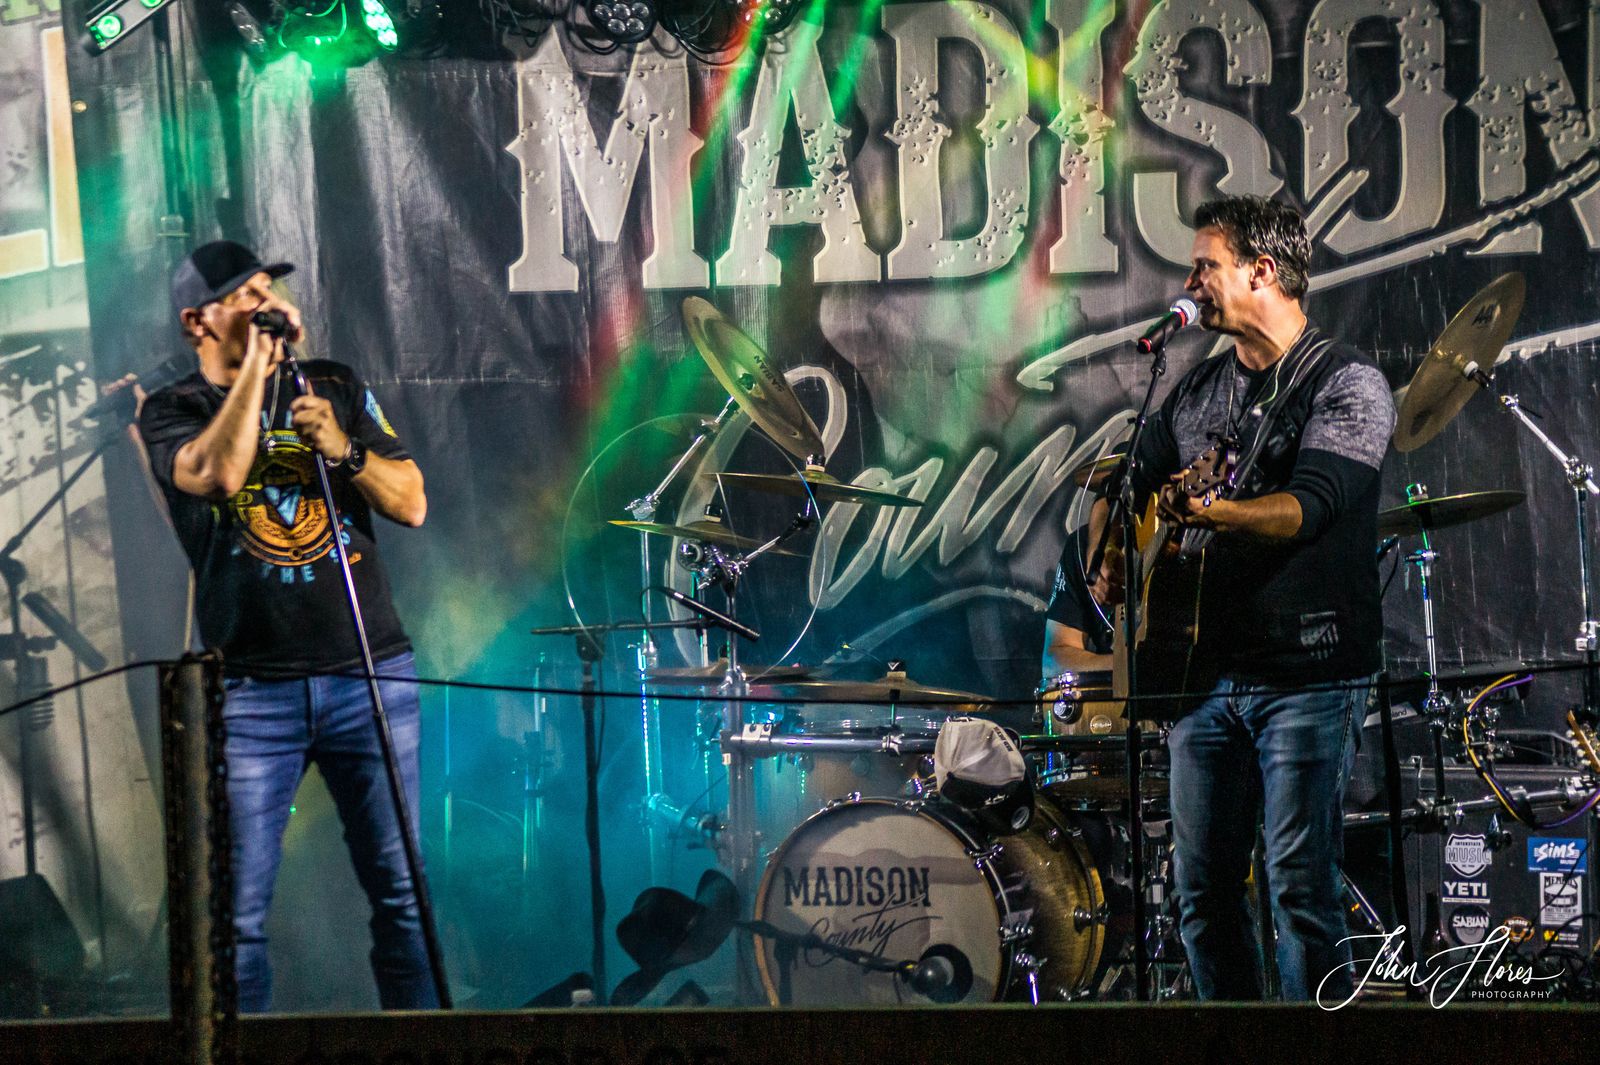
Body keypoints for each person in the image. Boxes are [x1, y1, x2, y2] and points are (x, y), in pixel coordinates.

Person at [1097, 197, 1395, 1001]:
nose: (1190, 281)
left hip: (1307, 673)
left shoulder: (1347, 383)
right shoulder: (1199, 387)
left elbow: (1308, 508)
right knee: (1201, 894)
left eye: (1206, 266)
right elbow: (1123, 476)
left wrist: (1214, 511)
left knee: (1299, 887)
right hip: (1203, 678)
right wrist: (1113, 545)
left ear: (1262, 271)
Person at [137, 240, 436, 1011]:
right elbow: (219, 475)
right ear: (197, 321)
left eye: (268, 288)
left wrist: (344, 449)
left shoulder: (332, 385)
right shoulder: (172, 410)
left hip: (369, 675)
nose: (265, 302)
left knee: (405, 897)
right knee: (234, 919)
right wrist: (258, 374)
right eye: (244, 295)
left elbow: (411, 502)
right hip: (250, 694)